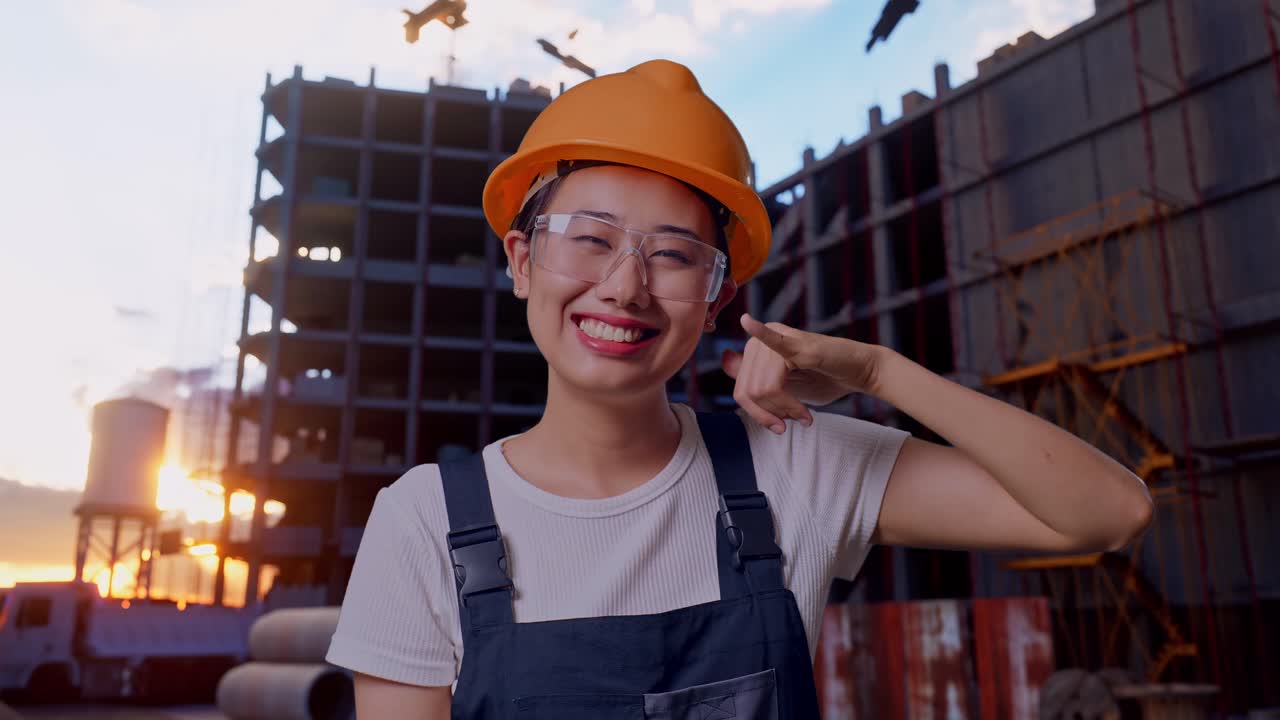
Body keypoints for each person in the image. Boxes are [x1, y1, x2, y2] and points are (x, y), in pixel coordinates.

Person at [325, 59, 1152, 718]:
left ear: (717, 297)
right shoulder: (424, 522)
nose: (625, 286)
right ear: (520, 260)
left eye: (675, 255)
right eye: (590, 238)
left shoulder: (794, 467)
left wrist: (881, 372)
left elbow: (1109, 512)